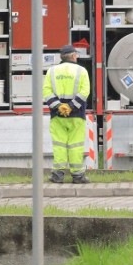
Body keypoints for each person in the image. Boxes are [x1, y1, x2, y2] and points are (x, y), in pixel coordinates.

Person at [43, 44, 91, 183]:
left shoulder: (51, 71)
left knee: (59, 145)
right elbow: (84, 92)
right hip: (76, 115)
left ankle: (58, 175)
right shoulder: (82, 71)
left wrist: (59, 106)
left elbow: (46, 91)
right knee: (75, 145)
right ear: (74, 55)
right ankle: (78, 176)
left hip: (57, 115)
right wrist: (71, 107)